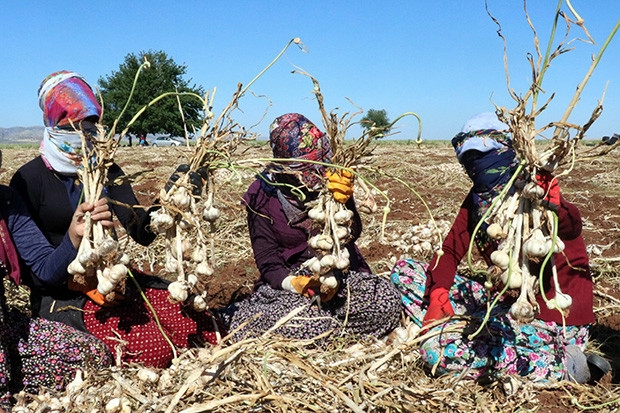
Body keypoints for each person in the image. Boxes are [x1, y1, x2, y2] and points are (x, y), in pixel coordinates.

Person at [10, 70, 223, 369]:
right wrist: (76, 251)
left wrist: (170, 202)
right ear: (53, 125)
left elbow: (141, 230)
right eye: (73, 126)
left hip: (114, 279)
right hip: (61, 293)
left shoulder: (107, 169)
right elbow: (38, 274)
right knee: (151, 350)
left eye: (90, 125)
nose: (85, 136)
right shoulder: (28, 179)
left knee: (195, 322)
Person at [390, 112, 608, 384]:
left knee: (441, 353)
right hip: (503, 303)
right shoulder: (478, 202)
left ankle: (565, 364)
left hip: (555, 316)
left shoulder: (535, 190)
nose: (478, 166)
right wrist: (438, 294)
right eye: (469, 160)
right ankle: (461, 320)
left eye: (486, 155)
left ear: (510, 151)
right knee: (405, 272)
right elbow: (449, 250)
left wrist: (553, 205)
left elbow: (571, 226)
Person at [221, 113, 401, 342]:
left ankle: (330, 333)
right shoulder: (261, 196)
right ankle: (330, 332)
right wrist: (297, 284)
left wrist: (345, 202)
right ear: (285, 167)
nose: (317, 173)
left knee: (386, 302)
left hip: (342, 276)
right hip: (292, 289)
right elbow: (268, 262)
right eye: (307, 168)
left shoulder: (333, 179)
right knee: (308, 323)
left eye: (320, 163)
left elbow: (352, 234)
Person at [0, 172, 113, 409]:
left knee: (94, 354)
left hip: (5, 327)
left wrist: (74, 234)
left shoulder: (5, 201)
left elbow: (44, 268)